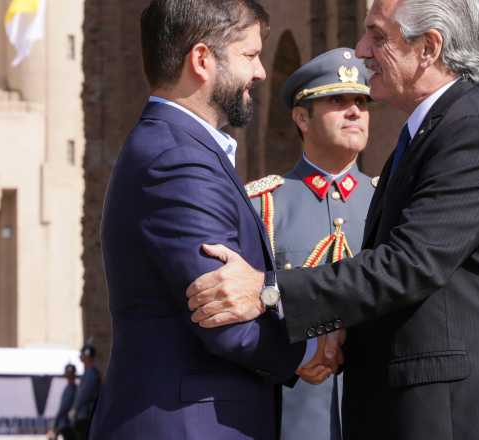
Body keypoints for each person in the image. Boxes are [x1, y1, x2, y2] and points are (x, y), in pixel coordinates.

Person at [185, 0, 479, 438]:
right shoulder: (431, 132)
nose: (361, 50)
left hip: (456, 417)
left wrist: (267, 290)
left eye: (377, 36)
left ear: (429, 48)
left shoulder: (473, 132)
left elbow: (407, 265)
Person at [89, 1, 338, 439]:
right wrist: (315, 348)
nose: (260, 72)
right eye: (248, 56)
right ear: (202, 60)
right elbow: (223, 316)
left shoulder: (177, 148)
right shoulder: (178, 160)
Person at [244, 47, 375, 440]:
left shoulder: (391, 201)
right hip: (291, 417)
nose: (354, 111)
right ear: (302, 118)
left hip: (377, 413)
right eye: (338, 101)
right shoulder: (263, 205)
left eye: (361, 102)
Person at [72, 344, 99, 440]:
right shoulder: (88, 373)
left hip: (86, 415)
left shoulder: (90, 374)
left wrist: (75, 408)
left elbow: (84, 395)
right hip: (84, 415)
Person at [48, 364, 78, 440]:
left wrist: (56, 422)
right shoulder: (71, 387)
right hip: (66, 423)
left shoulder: (71, 388)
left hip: (67, 424)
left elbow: (64, 408)